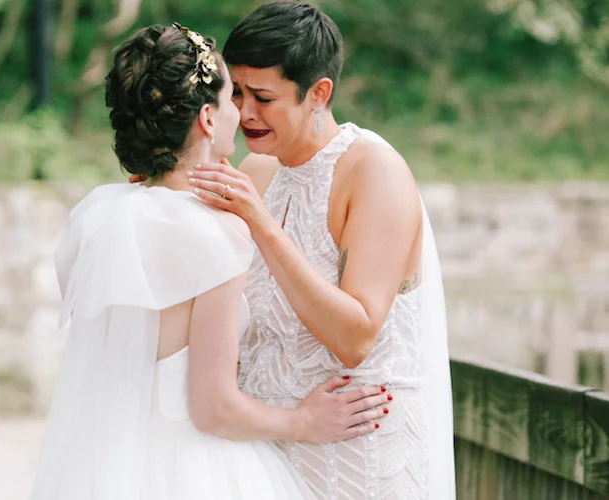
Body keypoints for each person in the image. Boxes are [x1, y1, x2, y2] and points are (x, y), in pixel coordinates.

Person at [29, 23, 396, 500]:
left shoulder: (101, 217)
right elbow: (213, 408)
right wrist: (304, 421)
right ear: (206, 118)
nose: (241, 113)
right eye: (231, 100)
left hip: (112, 459)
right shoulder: (213, 233)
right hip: (192, 467)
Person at [181, 3, 457, 499]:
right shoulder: (258, 172)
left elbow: (354, 338)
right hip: (266, 456)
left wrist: (262, 225)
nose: (244, 113)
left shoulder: (374, 171)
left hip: (359, 460)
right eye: (237, 93)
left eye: (263, 97)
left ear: (318, 93)